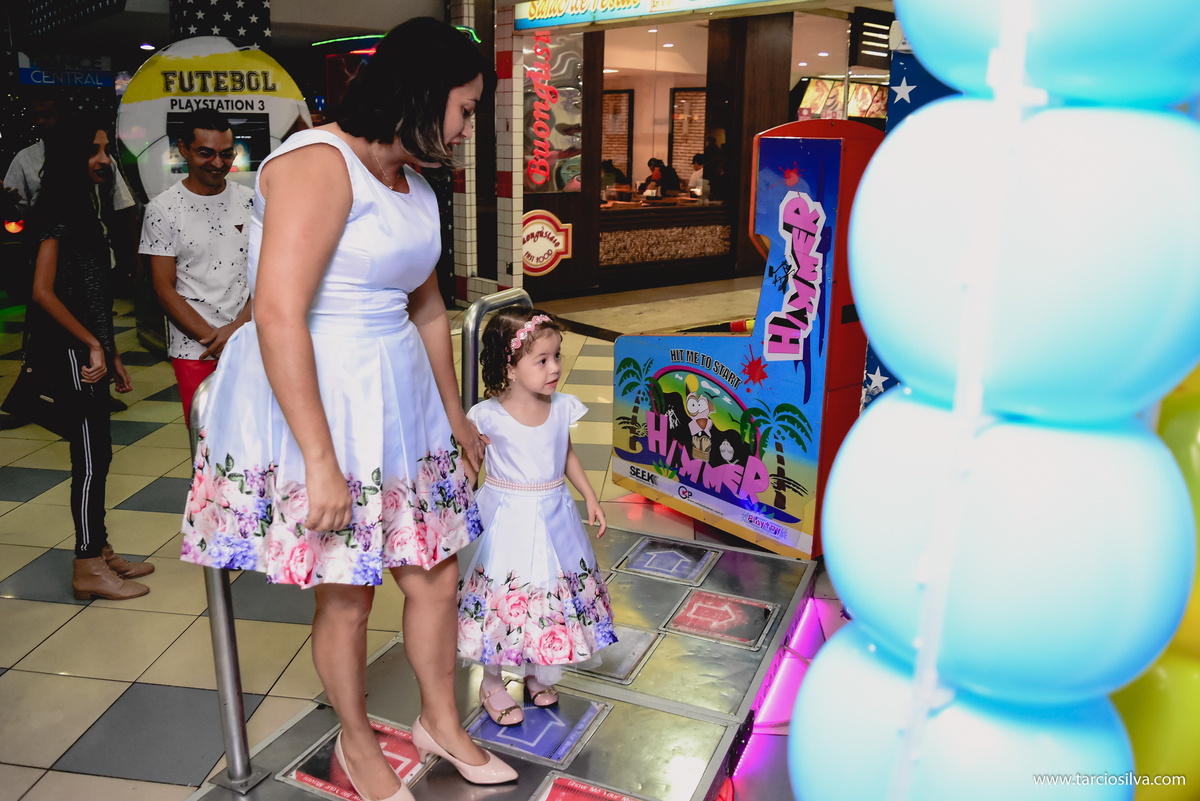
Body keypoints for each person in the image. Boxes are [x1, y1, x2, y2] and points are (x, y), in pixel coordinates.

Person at [176, 18, 514, 801]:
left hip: (395, 392)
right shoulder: (318, 164)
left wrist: (455, 413)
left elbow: (427, 306)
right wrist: (320, 461)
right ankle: (358, 744)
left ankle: (439, 720)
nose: (466, 130)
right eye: (463, 110)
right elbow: (279, 312)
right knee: (350, 587)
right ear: (422, 97)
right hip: (322, 396)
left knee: (434, 571)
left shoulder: (414, 184)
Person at [457, 309, 616, 726]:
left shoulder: (562, 408)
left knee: (546, 593)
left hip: (555, 515)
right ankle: (492, 681)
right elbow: (469, 468)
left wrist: (589, 495)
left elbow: (565, 454)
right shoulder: (485, 416)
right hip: (506, 518)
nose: (555, 368)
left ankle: (535, 669)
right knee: (507, 596)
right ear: (509, 368)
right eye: (541, 360)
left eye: (557, 356)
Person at [29, 117, 151, 600]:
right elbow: (42, 292)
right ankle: (85, 564)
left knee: (99, 453)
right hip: (70, 355)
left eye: (106, 150)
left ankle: (99, 549)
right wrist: (93, 343)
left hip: (90, 351)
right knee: (87, 456)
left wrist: (112, 349)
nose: (104, 159)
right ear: (68, 158)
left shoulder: (86, 207)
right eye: (93, 151)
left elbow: (90, 294)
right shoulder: (57, 209)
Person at [140, 109, 253, 426]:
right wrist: (215, 341)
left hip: (249, 340)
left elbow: (269, 276)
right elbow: (164, 289)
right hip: (195, 350)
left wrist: (237, 332)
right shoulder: (163, 209)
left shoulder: (253, 202)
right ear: (182, 149)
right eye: (206, 153)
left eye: (226, 153)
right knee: (207, 444)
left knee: (255, 442)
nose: (218, 163)